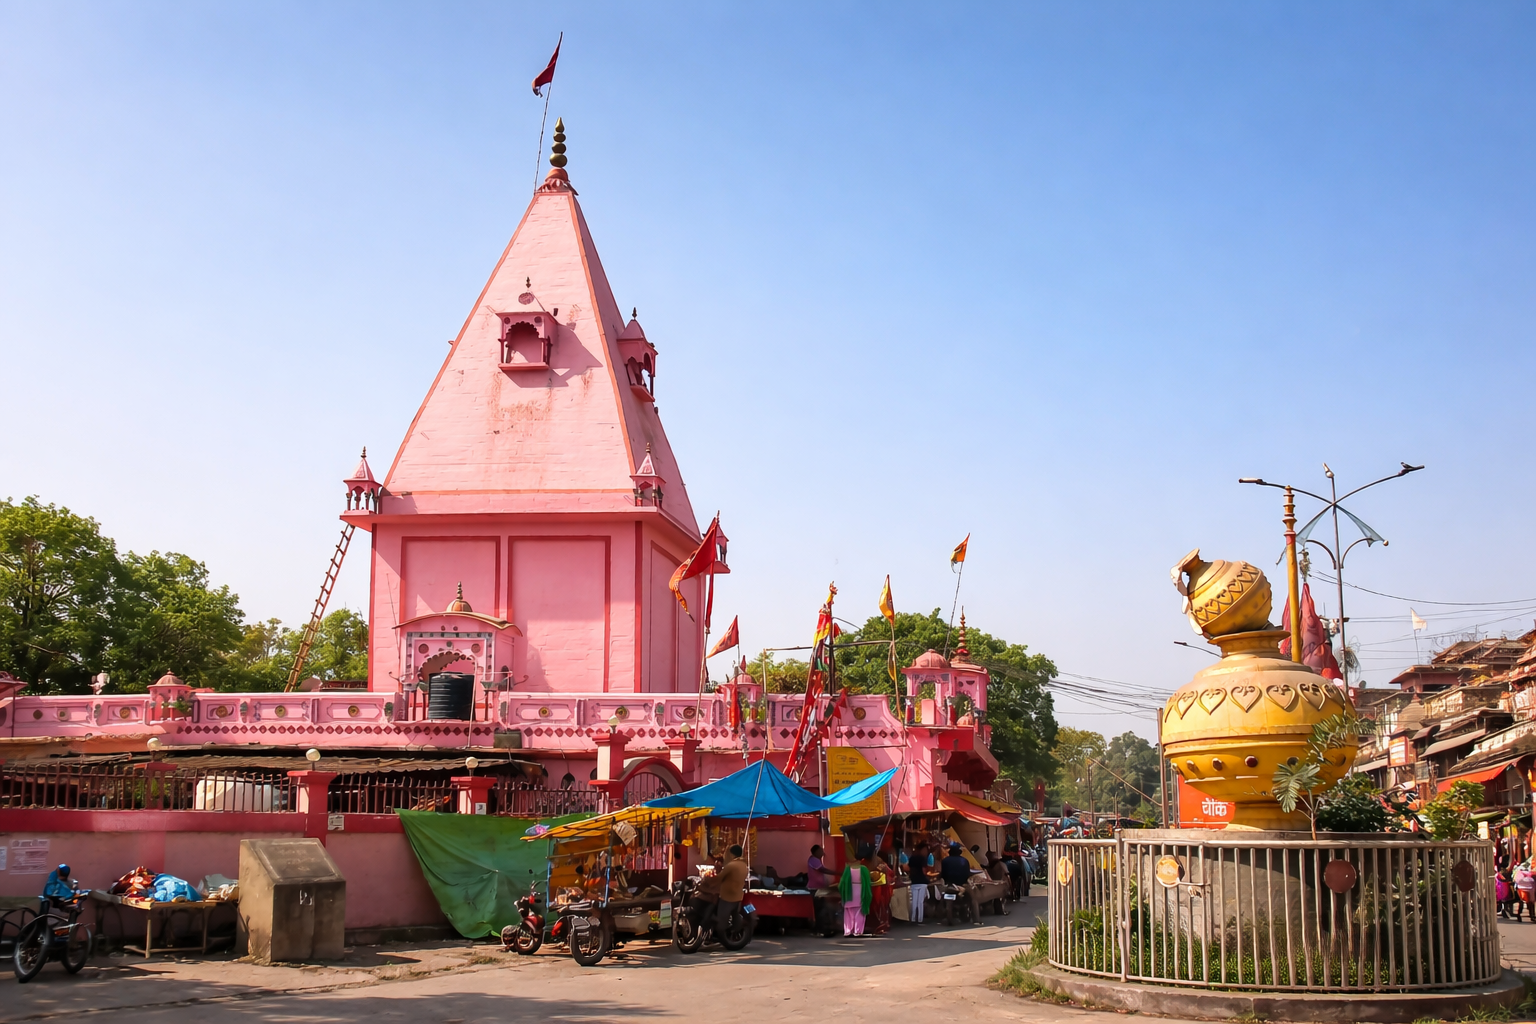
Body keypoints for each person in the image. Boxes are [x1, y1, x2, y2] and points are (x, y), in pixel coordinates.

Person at [715, 845, 749, 938]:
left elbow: (719, 878)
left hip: (727, 896)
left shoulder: (731, 865)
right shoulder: (743, 865)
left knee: (721, 921)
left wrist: (716, 872)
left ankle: (720, 934)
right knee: (734, 915)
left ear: (730, 854)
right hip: (737, 896)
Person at [840, 844, 873, 936]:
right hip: (860, 891)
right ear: (862, 859)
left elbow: (842, 884)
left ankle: (847, 931)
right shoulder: (864, 869)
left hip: (849, 892)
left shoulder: (847, 869)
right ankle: (857, 931)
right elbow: (868, 882)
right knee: (860, 912)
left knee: (848, 912)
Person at [908, 840, 932, 923]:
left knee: (914, 901)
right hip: (922, 881)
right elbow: (924, 870)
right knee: (920, 902)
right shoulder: (923, 858)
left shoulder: (911, 858)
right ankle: (920, 919)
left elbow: (908, 869)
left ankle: (913, 918)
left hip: (914, 881)